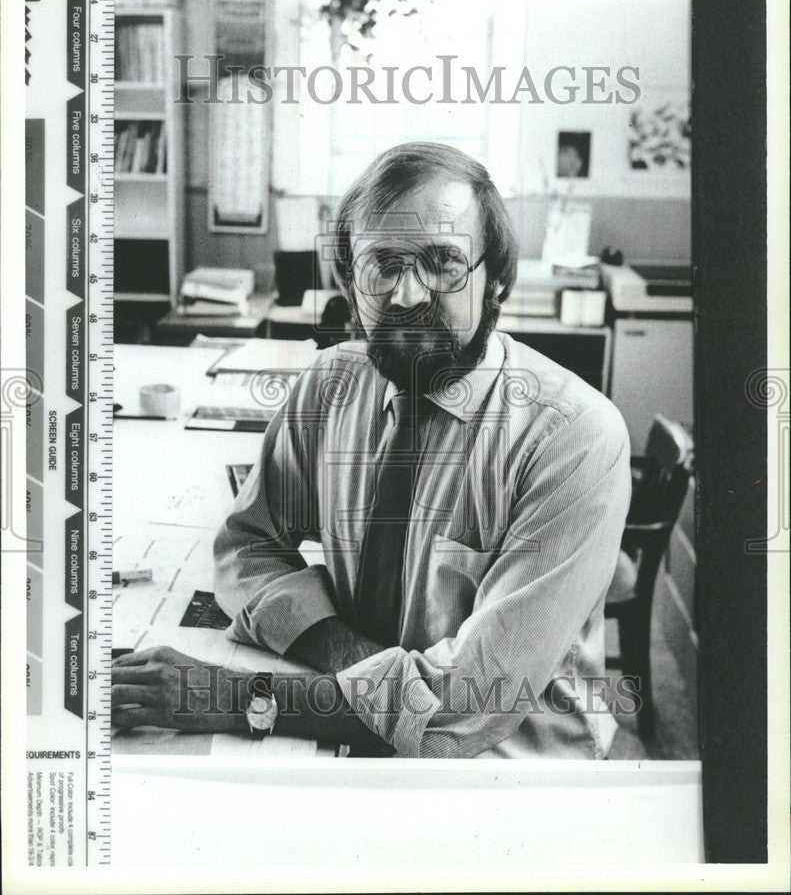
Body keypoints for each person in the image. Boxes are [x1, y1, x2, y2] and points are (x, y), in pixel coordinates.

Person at [112, 142, 631, 758]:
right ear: (348, 284)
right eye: (382, 265)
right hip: (345, 727)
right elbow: (246, 544)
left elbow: (465, 710)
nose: (407, 295)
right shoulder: (330, 385)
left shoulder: (572, 436)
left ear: (497, 282)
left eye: (443, 263)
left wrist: (227, 696)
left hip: (507, 774)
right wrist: (345, 654)